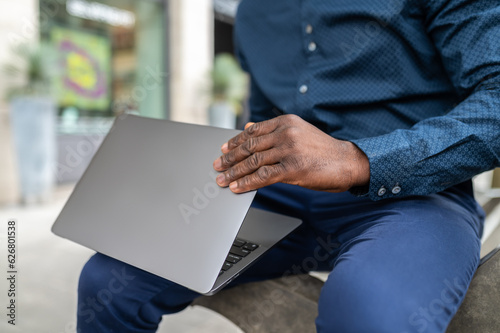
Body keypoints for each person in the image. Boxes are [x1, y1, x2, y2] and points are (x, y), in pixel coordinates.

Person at [77, 0, 500, 332]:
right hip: (280, 198)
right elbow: (261, 124)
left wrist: (358, 160)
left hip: (416, 198)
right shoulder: (252, 12)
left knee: (367, 312)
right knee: (108, 280)